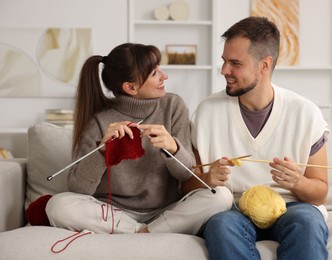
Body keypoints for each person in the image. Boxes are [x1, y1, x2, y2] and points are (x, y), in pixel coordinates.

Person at [46, 43, 233, 235]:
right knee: (57, 205)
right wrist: (102, 151)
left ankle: (147, 231)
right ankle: (142, 232)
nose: (164, 76)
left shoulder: (172, 106)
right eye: (154, 73)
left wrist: (173, 147)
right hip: (114, 213)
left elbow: (186, 175)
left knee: (221, 196)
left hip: (166, 211)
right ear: (130, 87)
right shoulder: (99, 122)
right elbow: (78, 188)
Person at [183, 16, 329, 259]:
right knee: (221, 225)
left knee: (307, 221)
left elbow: (320, 192)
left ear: (264, 65)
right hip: (233, 209)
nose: (224, 70)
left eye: (235, 63)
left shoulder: (305, 113)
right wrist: (207, 178)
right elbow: (185, 186)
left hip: (291, 207)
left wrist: (298, 183)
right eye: (224, 61)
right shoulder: (207, 112)